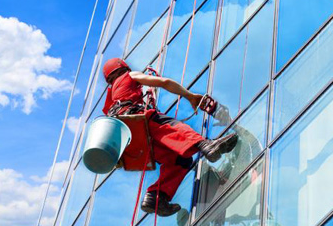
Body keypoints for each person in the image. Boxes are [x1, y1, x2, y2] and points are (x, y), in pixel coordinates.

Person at [102, 58, 238, 217]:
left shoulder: (111, 96)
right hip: (134, 120)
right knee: (171, 127)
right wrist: (190, 96)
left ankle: (156, 197)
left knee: (180, 160)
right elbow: (165, 82)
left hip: (128, 140)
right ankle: (207, 145)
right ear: (123, 68)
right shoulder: (130, 76)